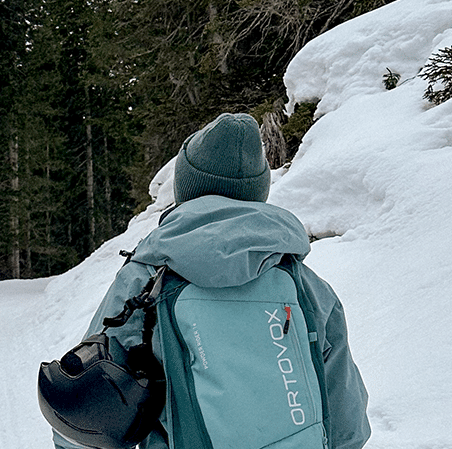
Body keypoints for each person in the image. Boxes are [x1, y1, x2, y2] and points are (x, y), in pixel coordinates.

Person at [53, 113, 370, 449]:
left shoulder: (147, 277)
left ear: (186, 188)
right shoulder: (305, 284)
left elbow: (88, 404)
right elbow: (348, 425)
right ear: (257, 191)